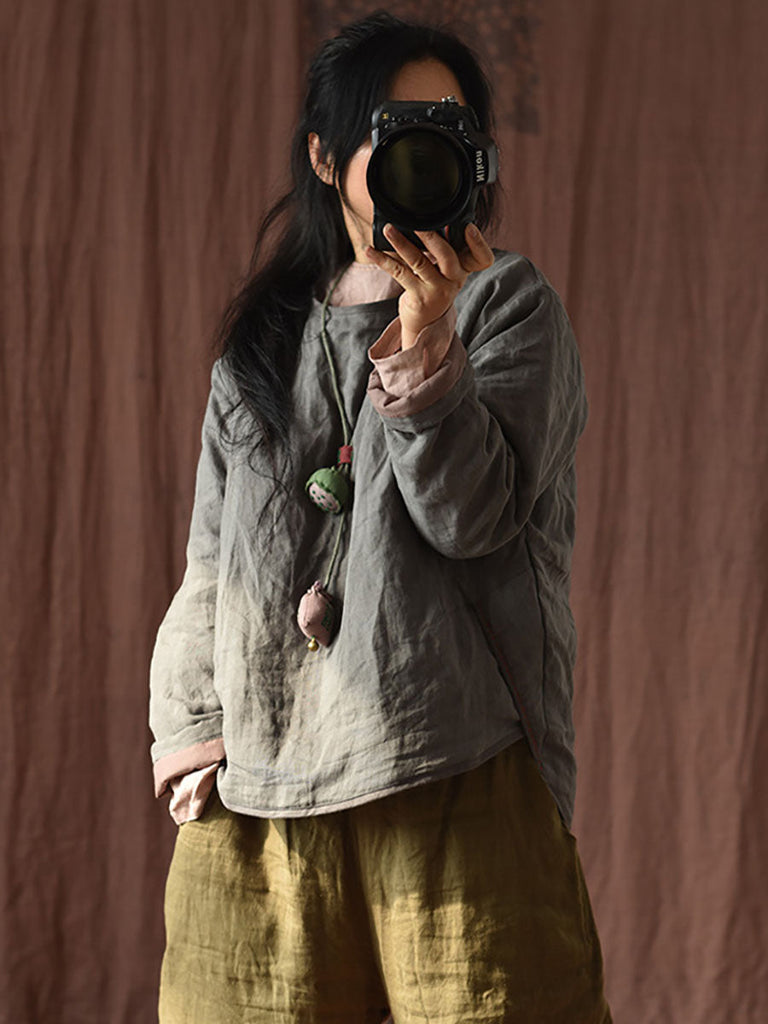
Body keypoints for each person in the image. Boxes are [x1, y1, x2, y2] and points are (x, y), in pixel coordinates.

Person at [149, 12, 612, 1024]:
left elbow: (472, 520)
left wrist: (428, 345)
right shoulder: (261, 345)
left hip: (457, 764)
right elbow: (212, 563)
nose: (422, 148)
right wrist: (188, 730)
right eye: (394, 128)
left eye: (448, 127)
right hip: (258, 784)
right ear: (326, 156)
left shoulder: (507, 304)